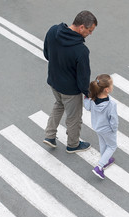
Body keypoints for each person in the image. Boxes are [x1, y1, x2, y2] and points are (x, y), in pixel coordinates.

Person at [42, 10, 97, 153]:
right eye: (89, 30)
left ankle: (49, 136)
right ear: (82, 27)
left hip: (54, 82)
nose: (90, 34)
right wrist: (88, 93)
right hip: (70, 91)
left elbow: (47, 53)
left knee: (59, 104)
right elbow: (83, 77)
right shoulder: (81, 50)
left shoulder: (53, 31)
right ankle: (73, 144)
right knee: (74, 118)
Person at [83, 74, 118, 179]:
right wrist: (114, 129)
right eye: (112, 85)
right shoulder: (111, 104)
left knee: (103, 143)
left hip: (97, 126)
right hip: (107, 129)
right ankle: (99, 166)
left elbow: (87, 107)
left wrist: (86, 97)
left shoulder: (93, 98)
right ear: (107, 89)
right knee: (112, 146)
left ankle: (105, 160)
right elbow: (114, 120)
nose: (113, 87)